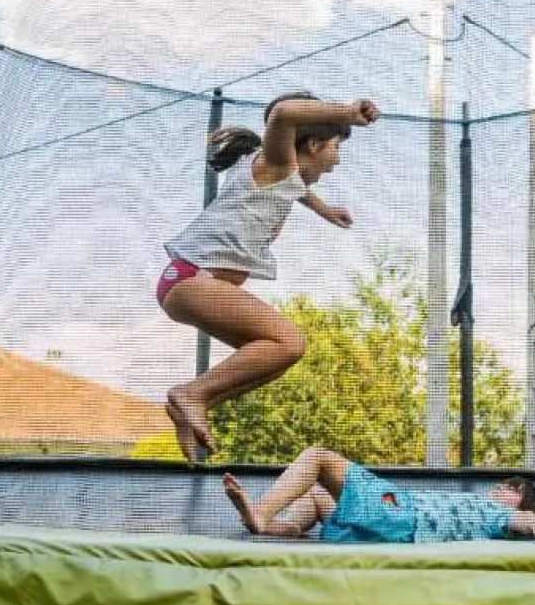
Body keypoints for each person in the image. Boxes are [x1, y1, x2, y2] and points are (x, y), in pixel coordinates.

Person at [158, 92, 380, 461]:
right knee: (288, 342)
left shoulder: (275, 171)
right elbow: (283, 112)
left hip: (185, 282)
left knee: (273, 355)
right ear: (313, 144)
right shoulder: (276, 161)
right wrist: (346, 113)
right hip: (193, 279)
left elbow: (296, 187)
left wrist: (324, 209)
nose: (337, 160)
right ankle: (192, 394)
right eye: (336, 147)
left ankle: (193, 403)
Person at [223, 447, 535, 542]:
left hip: (399, 511)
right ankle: (277, 527)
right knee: (315, 493)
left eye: (514, 489)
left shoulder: (498, 515)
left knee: (317, 458)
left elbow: (519, 519)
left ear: (522, 503)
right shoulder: (485, 514)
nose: (503, 487)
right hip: (391, 526)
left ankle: (261, 515)